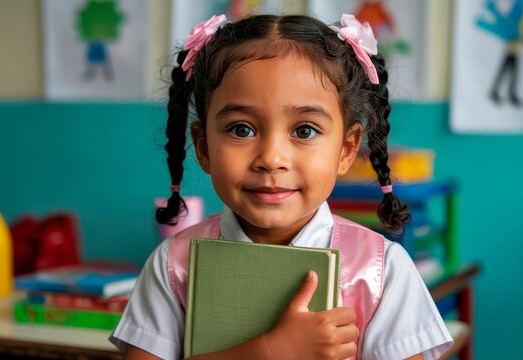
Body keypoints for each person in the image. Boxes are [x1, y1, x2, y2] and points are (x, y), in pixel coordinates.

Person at [110, 13, 453, 360]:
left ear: (347, 149)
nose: (272, 158)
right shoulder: (173, 265)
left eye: (304, 130)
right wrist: (268, 351)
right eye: (241, 129)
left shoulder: (381, 272)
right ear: (203, 147)